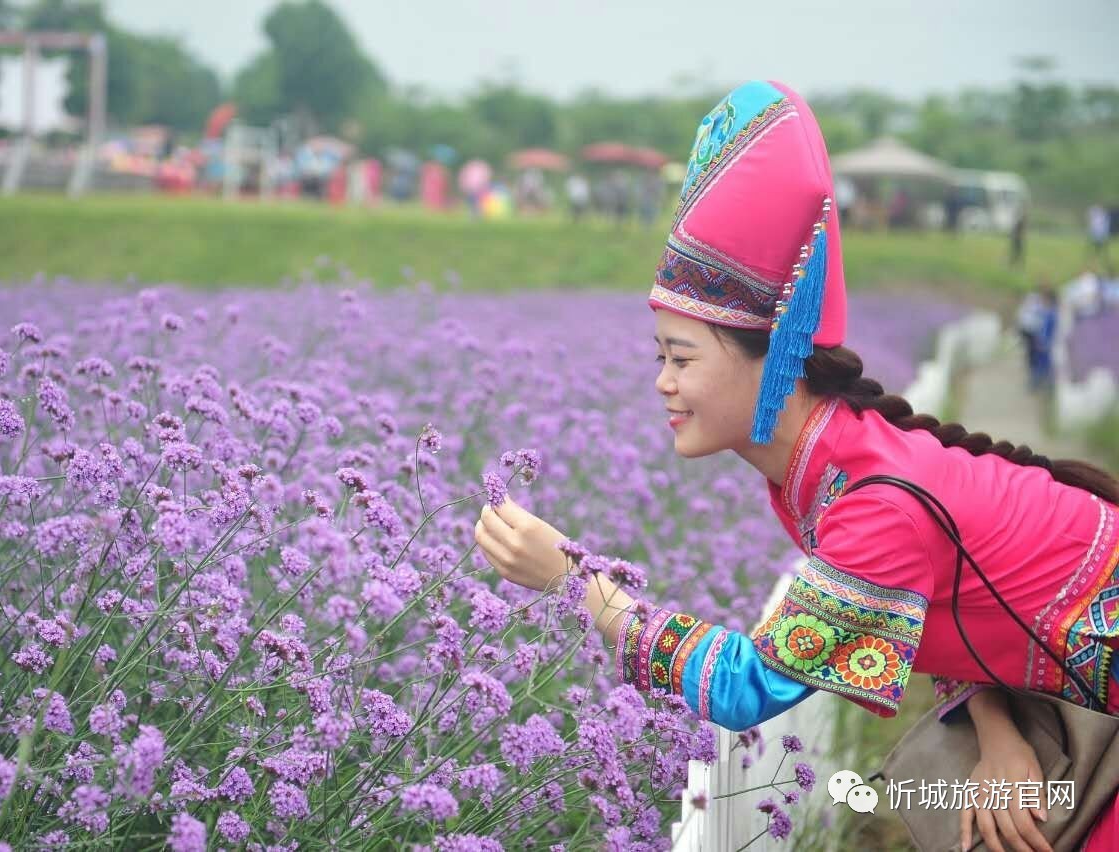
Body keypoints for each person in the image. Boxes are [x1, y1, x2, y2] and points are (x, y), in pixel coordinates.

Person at [474, 79, 1119, 852]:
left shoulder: (869, 499)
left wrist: (579, 586)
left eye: (682, 358)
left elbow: (749, 686)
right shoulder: (823, 472)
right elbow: (955, 597)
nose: (662, 382)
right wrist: (996, 727)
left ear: (774, 356)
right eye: (659, 355)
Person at [1029, 286, 1059, 392]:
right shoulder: (1048, 312)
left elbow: (1050, 330)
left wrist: (1044, 341)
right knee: (1042, 364)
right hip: (1044, 343)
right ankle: (1042, 386)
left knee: (1045, 365)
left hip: (1047, 344)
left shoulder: (1052, 313)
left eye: (1044, 299)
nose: (1042, 301)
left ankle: (1043, 387)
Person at [1015, 287, 1046, 387]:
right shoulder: (1036, 303)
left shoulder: (1032, 302)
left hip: (1030, 331)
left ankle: (1034, 374)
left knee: (1031, 353)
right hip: (1031, 331)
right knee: (1032, 352)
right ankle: (1034, 374)